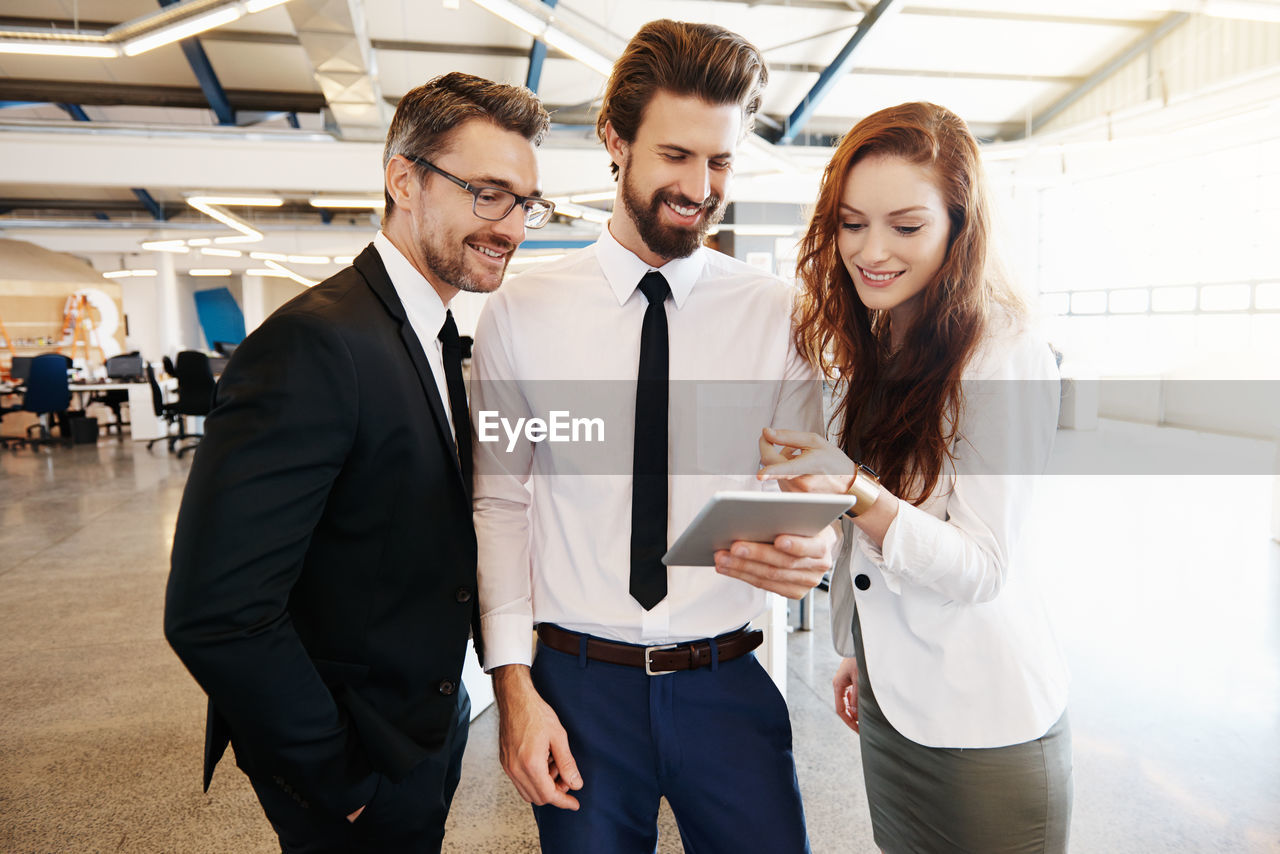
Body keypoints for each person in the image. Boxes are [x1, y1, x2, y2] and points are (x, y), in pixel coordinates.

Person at [164, 72, 552, 853]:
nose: (510, 225)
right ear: (403, 180)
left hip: (416, 732)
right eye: (487, 193)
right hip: (353, 762)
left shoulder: (428, 332)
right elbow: (218, 610)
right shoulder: (316, 341)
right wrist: (335, 780)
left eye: (525, 204)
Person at [470, 19, 831, 854]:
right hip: (578, 686)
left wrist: (816, 548)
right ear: (615, 140)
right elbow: (498, 500)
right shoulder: (521, 312)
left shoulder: (780, 316)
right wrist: (513, 689)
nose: (700, 186)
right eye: (675, 156)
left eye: (721, 161)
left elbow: (804, 487)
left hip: (729, 680)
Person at [756, 101, 1072, 853]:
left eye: (906, 226)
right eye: (851, 223)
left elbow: (983, 567)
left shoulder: (1004, 354)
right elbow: (890, 533)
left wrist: (850, 487)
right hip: (894, 707)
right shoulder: (878, 337)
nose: (871, 250)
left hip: (984, 725)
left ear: (959, 228)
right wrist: (857, 646)